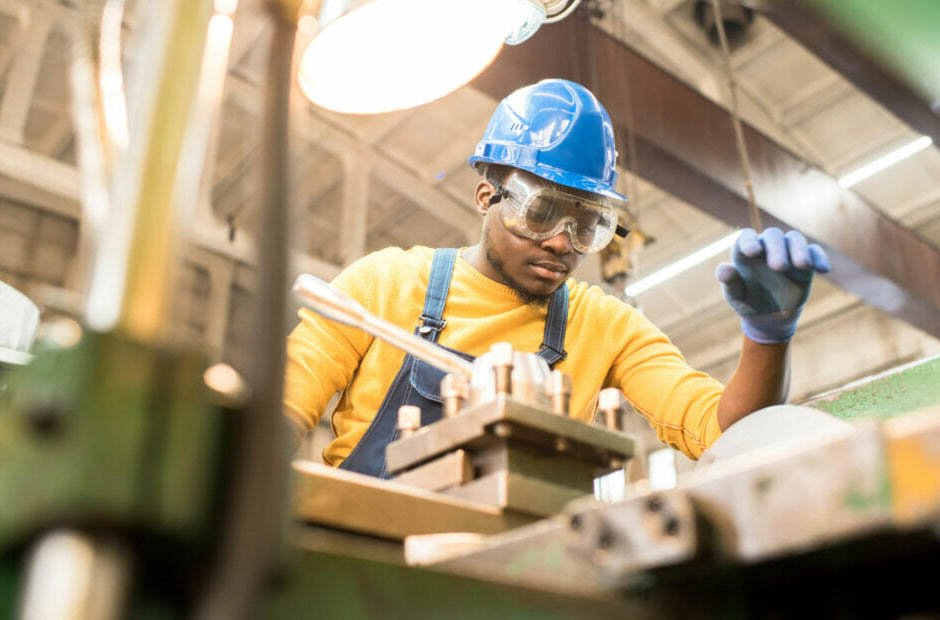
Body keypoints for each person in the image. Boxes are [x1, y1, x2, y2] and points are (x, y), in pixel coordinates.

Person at [283, 78, 830, 478]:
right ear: (486, 196)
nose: (562, 243)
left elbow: (724, 432)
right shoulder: (382, 285)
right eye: (541, 212)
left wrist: (767, 339)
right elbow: (278, 415)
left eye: (588, 224)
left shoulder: (605, 326)